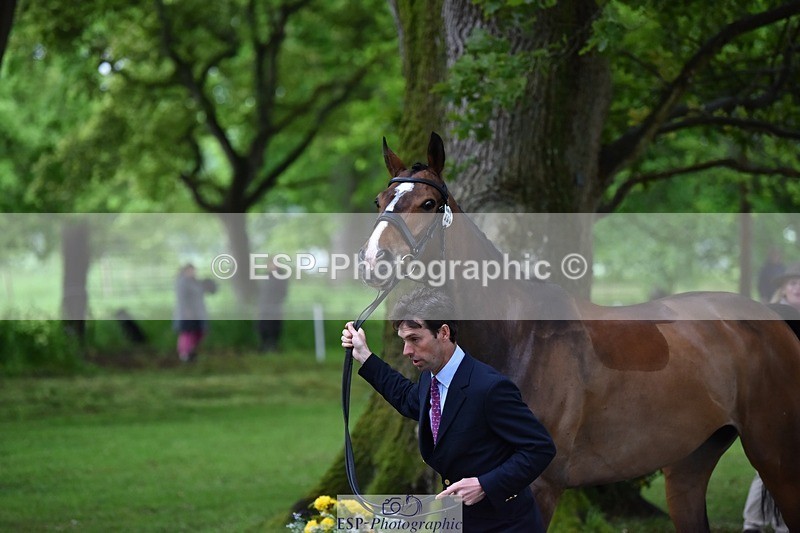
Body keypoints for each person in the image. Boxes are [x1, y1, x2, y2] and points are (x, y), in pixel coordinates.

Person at [341, 286, 556, 532]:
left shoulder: (490, 388)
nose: (406, 351)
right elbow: (409, 399)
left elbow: (539, 448)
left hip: (506, 525)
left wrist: (485, 484)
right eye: (404, 341)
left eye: (415, 339)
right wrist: (365, 356)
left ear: (443, 332)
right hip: (456, 520)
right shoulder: (430, 379)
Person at [741, 263, 800, 533]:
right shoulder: (773, 316)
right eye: (792, 283)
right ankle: (754, 522)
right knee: (771, 462)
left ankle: (779, 523)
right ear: (783, 288)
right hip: (775, 397)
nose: (797, 287)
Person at [173, 263, 215, 362]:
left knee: (200, 332)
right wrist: (187, 311)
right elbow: (182, 299)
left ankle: (190, 349)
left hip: (198, 314)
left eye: (193, 270)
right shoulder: (182, 283)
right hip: (187, 314)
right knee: (187, 333)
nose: (193, 272)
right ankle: (185, 353)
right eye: (190, 270)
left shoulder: (195, 282)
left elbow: (207, 290)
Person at [256, 258, 289, 353]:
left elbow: (283, 292)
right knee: (262, 327)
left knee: (274, 328)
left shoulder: (282, 277)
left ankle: (273, 346)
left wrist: (276, 302)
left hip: (275, 307)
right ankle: (264, 346)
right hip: (263, 307)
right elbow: (261, 292)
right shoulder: (265, 277)